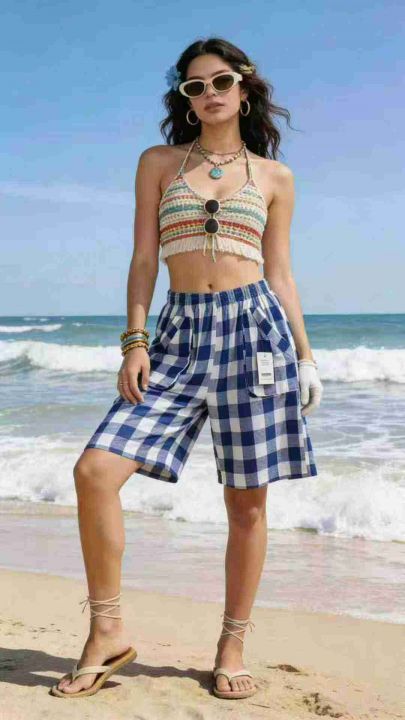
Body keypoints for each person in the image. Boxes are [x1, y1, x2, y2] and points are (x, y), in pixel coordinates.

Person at [51, 36, 323, 701]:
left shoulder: (275, 178)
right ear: (185, 100)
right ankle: (106, 632)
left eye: (220, 81)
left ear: (244, 87)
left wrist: (306, 356)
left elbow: (281, 272)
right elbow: (144, 260)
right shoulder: (159, 163)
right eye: (194, 87)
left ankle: (232, 644)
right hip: (177, 335)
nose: (209, 94)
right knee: (95, 472)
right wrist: (134, 341)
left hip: (255, 335)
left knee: (247, 502)